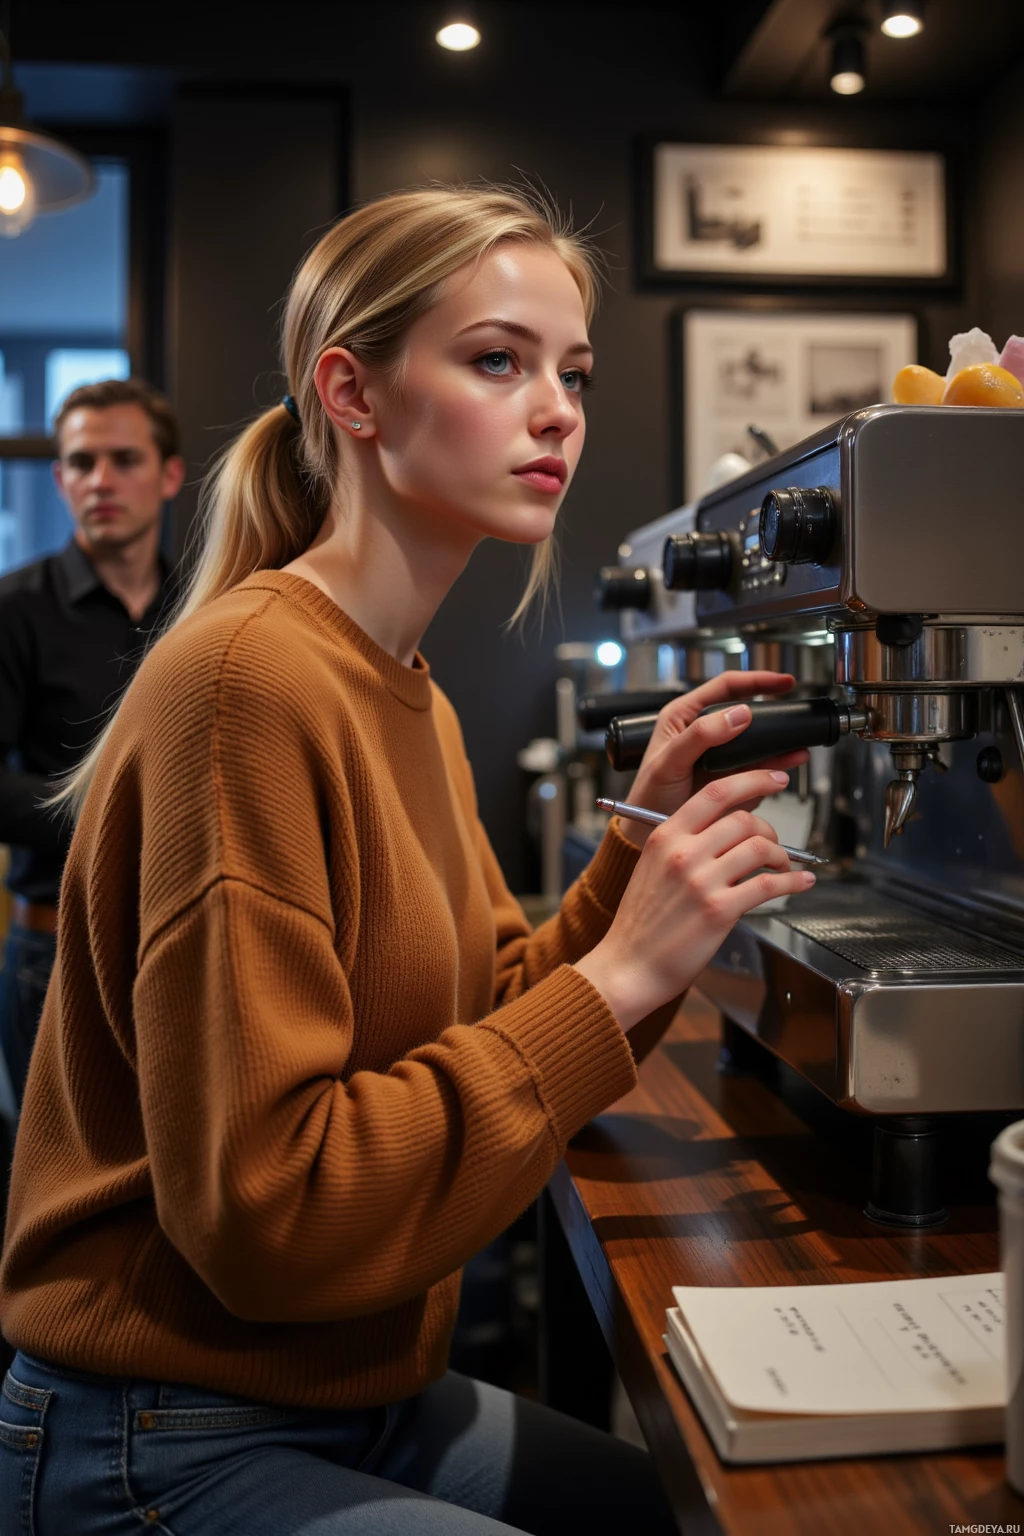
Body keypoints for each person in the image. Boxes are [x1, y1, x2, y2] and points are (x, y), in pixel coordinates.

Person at [0, 188, 812, 1535]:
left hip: (350, 1387)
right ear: (354, 394)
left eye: (573, 371)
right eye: (499, 360)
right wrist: (614, 982)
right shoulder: (246, 685)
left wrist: (641, 841)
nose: (557, 409)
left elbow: (493, 998)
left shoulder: (407, 692)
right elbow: (273, 1212)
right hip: (159, 1427)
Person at [0, 377, 184, 1113]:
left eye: (124, 459)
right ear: (60, 479)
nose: (100, 480)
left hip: (183, 949)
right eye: (81, 462)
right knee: (54, 1207)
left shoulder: (207, 605)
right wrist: (124, 814)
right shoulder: (15, 609)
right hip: (56, 952)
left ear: (169, 475)